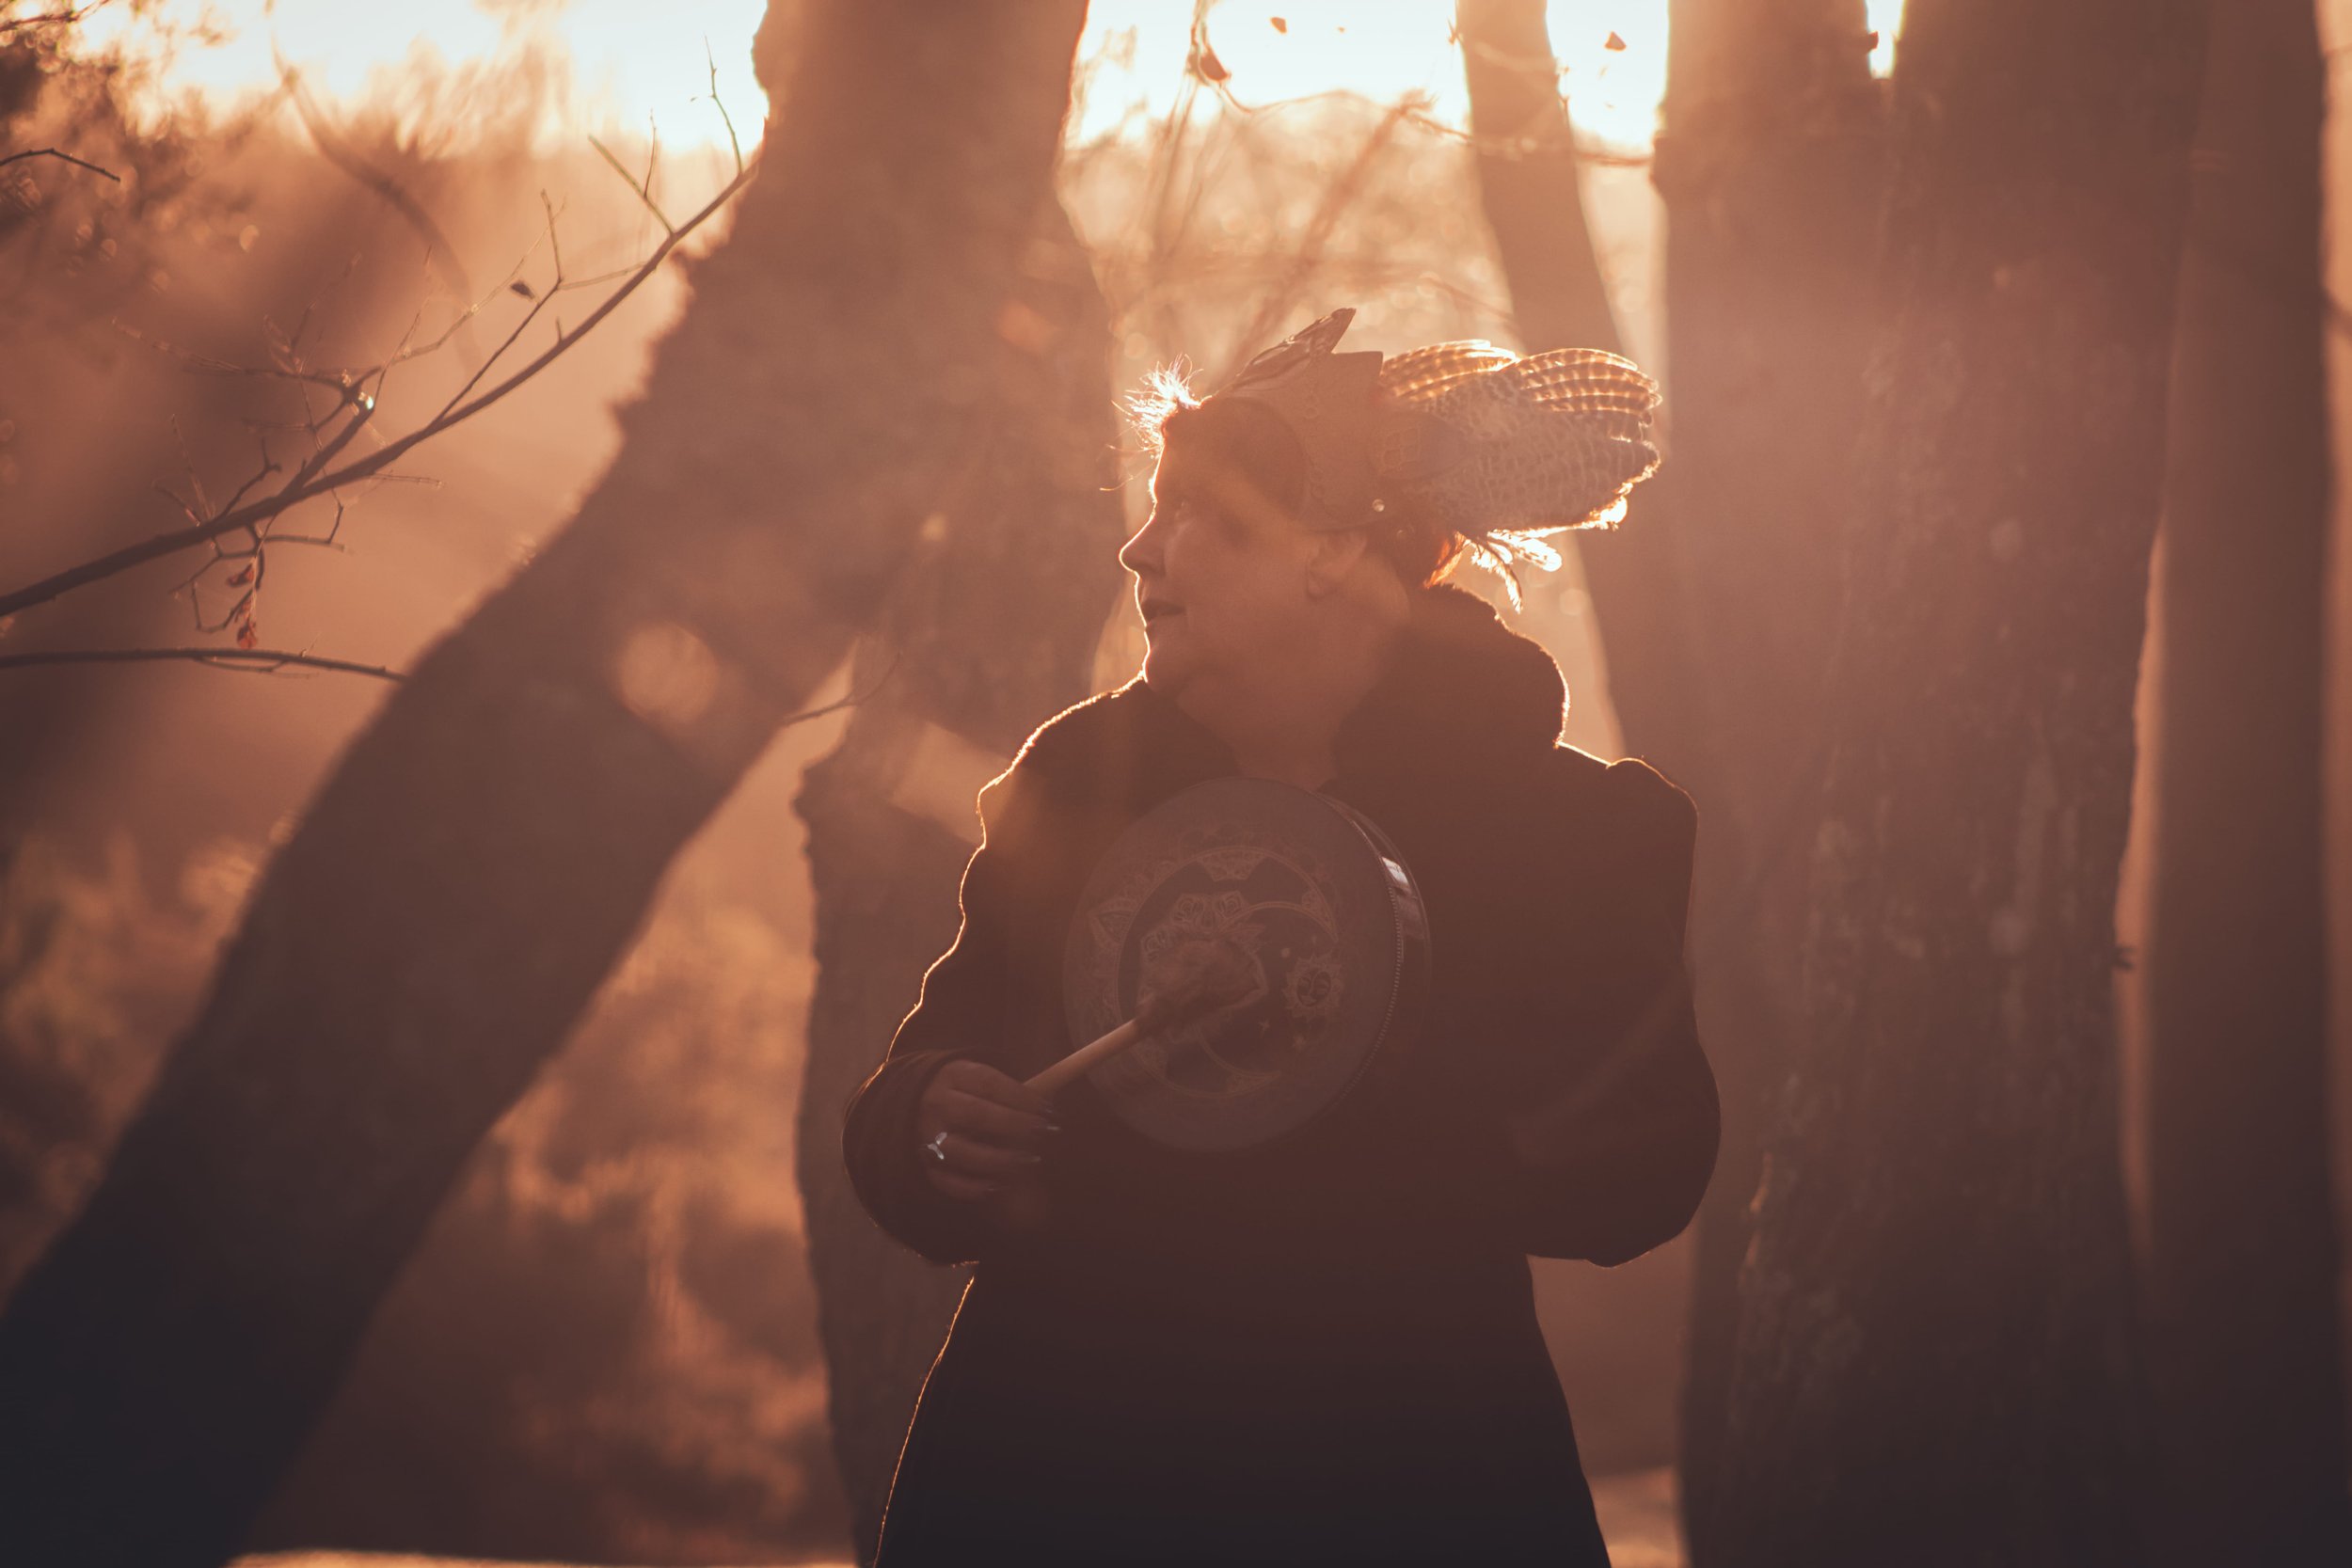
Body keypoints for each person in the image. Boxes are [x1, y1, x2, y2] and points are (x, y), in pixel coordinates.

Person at [842, 309, 1719, 1566]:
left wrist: (1354, 1040)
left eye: (1199, 513)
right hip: (1056, 1483)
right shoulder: (1082, 779)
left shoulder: (1570, 831)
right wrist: (930, 1120)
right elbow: (925, 1079)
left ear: (1327, 553)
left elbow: (1644, 1171)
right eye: (1153, 505)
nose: (1140, 547)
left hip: (1402, 1486)